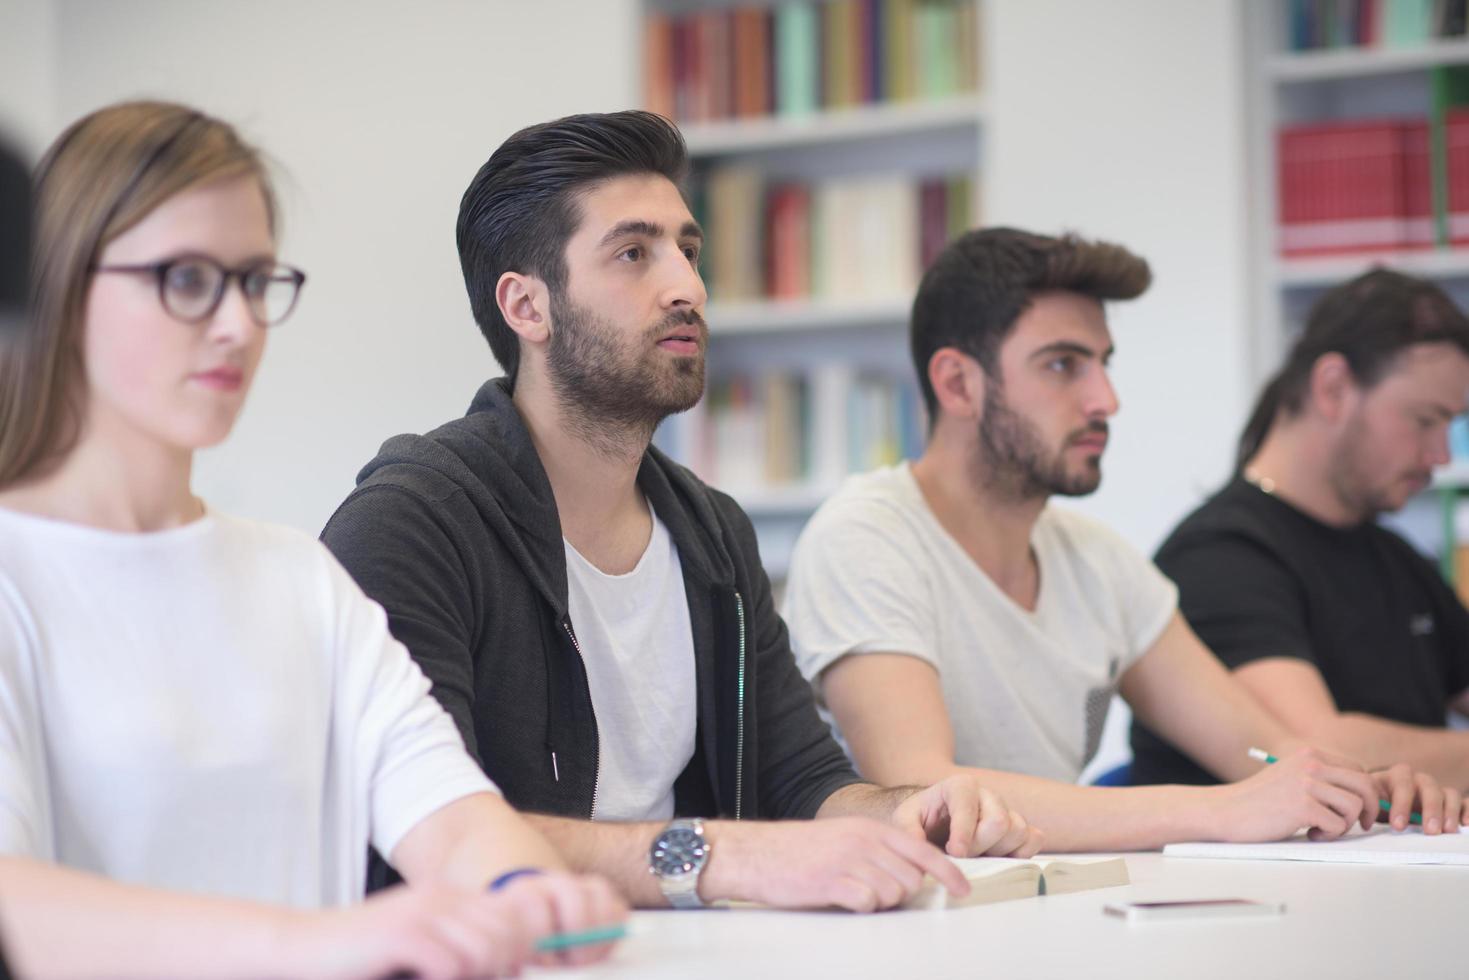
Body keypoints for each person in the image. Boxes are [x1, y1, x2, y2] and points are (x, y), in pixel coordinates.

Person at [321, 110, 1040, 914]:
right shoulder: (413, 521)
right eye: (634, 253)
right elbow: (425, 824)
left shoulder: (712, 532)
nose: (688, 287)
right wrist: (718, 857)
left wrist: (903, 812)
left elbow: (798, 778)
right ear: (527, 307)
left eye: (688, 252)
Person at [0, 100, 624, 980]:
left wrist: (523, 886)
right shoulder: (14, 575)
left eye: (255, 281)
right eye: (186, 279)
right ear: (60, 287)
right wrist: (311, 945)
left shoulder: (298, 575)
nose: (237, 325)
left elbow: (441, 804)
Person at [781, 227, 1467, 853]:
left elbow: (1263, 754)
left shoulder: (1097, 559)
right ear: (958, 383)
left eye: (1103, 363)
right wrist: (1221, 810)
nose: (1105, 398)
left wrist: (1371, 788)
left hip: (1032, 910)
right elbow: (924, 794)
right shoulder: (865, 534)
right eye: (1062, 365)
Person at [1130, 269, 1469, 795]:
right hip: (1259, 876)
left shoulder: (1396, 558)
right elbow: (1313, 752)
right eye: (1426, 420)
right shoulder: (1219, 558)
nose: (1441, 455)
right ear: (1333, 389)